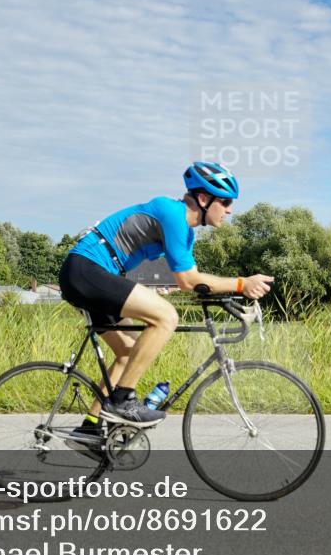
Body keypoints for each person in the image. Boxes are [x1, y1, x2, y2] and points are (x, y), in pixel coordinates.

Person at [58, 162, 274, 452]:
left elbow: (195, 283)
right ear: (203, 199)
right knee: (165, 317)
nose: (230, 209)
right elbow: (187, 281)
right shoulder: (173, 214)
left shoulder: (184, 233)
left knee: (126, 351)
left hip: (92, 274)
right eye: (225, 202)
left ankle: (90, 427)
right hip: (87, 269)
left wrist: (227, 298)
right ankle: (123, 401)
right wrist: (240, 284)